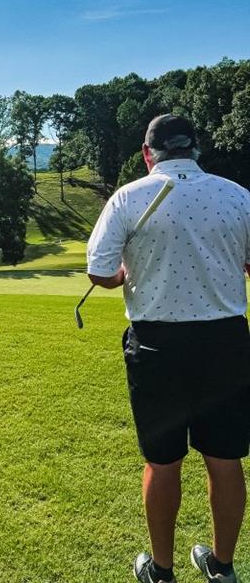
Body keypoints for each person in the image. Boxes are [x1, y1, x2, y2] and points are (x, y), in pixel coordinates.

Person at [86, 114, 250, 583]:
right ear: (196, 150)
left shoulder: (127, 197)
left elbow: (99, 272)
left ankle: (161, 570)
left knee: (162, 460)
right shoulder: (237, 195)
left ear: (147, 153)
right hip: (226, 342)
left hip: (157, 345)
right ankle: (222, 565)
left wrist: (123, 276)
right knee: (224, 457)